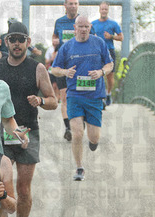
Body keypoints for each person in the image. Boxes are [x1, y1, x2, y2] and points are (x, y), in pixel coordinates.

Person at [0, 21, 57, 217]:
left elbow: (53, 101)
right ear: (6, 42)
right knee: (0, 185)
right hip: (1, 134)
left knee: (24, 189)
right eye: (13, 39)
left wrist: (40, 101)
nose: (17, 44)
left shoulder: (37, 68)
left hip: (29, 133)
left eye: (21, 39)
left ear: (28, 43)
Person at [52, 15, 113, 181]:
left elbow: (110, 64)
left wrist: (101, 72)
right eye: (81, 27)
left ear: (90, 28)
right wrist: (65, 72)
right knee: (77, 133)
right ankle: (79, 168)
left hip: (94, 96)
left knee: (94, 138)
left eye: (87, 27)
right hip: (75, 95)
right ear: (75, 28)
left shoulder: (99, 43)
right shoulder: (67, 46)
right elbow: (54, 69)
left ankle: (93, 139)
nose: (84, 30)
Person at [53, 0, 94, 142]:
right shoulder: (59, 22)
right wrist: (55, 41)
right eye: (70, 3)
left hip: (81, 65)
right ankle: (68, 128)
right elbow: (55, 36)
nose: (73, 6)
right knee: (64, 97)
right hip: (63, 64)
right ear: (65, 5)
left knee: (81, 97)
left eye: (76, 3)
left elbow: (94, 40)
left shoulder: (84, 22)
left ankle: (81, 118)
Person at [91, 1, 123, 106]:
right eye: (102, 9)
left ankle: (108, 94)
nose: (104, 11)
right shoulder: (93, 24)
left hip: (109, 51)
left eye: (106, 9)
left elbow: (121, 37)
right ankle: (101, 96)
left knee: (110, 76)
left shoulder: (113, 24)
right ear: (99, 10)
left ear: (108, 10)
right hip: (97, 52)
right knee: (98, 74)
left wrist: (111, 36)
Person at [45, 33, 61, 101]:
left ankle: (58, 97)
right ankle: (54, 97)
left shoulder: (61, 48)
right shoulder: (50, 49)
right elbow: (46, 61)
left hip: (59, 68)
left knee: (58, 84)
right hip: (51, 68)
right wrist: (52, 58)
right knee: (53, 84)